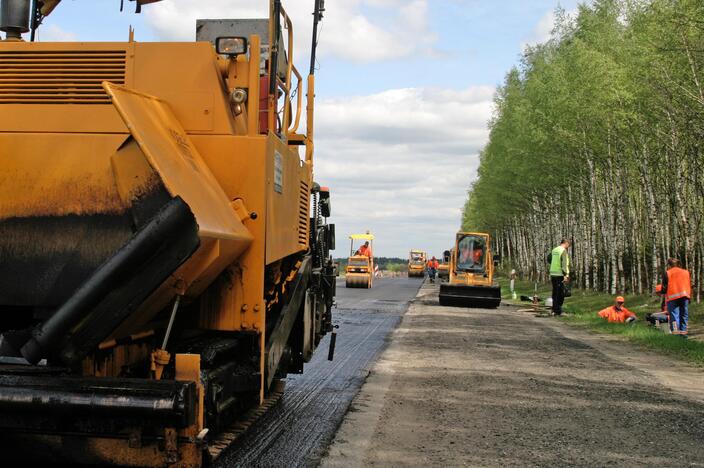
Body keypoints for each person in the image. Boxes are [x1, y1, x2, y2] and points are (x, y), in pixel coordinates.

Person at [663, 258, 691, 338]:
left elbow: (664, 287)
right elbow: (689, 284)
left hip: (672, 298)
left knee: (674, 316)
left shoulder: (668, 273)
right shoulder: (686, 272)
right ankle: (683, 334)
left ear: (669, 265)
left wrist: (663, 294)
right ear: (678, 264)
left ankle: (676, 334)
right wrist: (689, 297)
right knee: (684, 315)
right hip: (685, 296)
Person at [549, 239, 570, 316]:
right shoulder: (563, 251)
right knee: (560, 294)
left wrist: (554, 264)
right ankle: (558, 311)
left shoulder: (554, 250)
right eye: (568, 245)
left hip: (553, 273)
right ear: (566, 243)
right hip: (560, 274)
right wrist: (565, 275)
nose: (568, 247)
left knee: (555, 292)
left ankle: (554, 309)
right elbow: (564, 264)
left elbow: (549, 259)